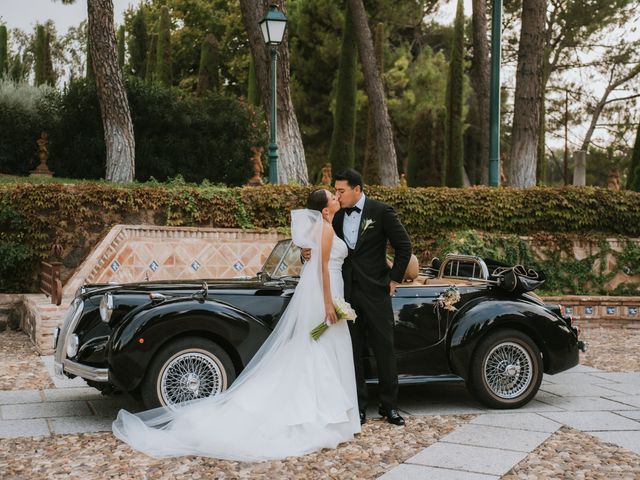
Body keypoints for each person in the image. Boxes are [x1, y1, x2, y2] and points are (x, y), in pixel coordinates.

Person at [112, 189, 360, 460]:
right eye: (332, 197)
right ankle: (323, 414)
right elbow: (322, 267)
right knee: (319, 349)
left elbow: (315, 260)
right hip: (324, 291)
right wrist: (328, 304)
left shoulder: (325, 227)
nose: (337, 198)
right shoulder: (324, 229)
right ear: (325, 210)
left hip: (326, 288)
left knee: (320, 347)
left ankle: (334, 411)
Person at [304, 169, 412, 426]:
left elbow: (404, 246)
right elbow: (319, 248)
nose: (338, 196)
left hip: (376, 292)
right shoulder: (335, 216)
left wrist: (394, 279)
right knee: (352, 351)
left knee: (384, 349)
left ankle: (390, 406)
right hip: (346, 293)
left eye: (341, 191)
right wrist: (305, 254)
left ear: (357, 189)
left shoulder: (381, 211)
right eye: (336, 192)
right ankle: (358, 407)